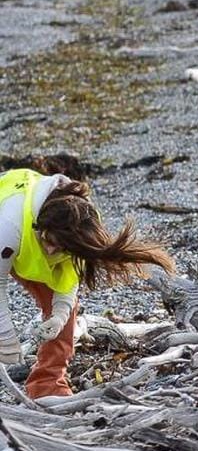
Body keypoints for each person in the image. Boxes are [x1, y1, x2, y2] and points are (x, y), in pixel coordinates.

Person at [0, 168, 174, 400]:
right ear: (41, 226)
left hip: (27, 253)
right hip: (9, 241)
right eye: (48, 240)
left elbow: (69, 278)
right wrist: (5, 336)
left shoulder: (81, 229)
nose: (51, 250)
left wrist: (59, 315)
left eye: (59, 246)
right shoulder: (9, 224)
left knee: (68, 315)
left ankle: (47, 387)